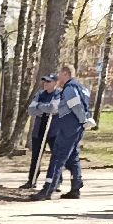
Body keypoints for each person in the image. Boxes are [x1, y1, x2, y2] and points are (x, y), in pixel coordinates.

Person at [31, 64, 91, 201]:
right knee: (73, 156)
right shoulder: (82, 88)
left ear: (65, 74)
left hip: (69, 126)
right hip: (76, 128)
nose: (58, 77)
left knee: (57, 157)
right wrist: (86, 120)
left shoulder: (70, 88)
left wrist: (82, 120)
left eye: (60, 74)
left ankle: (48, 189)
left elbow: (76, 105)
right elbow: (85, 105)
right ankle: (76, 187)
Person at [19, 74, 57, 190]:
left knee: (56, 156)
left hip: (53, 129)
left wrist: (40, 107)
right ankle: (32, 180)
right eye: (44, 81)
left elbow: (53, 109)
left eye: (48, 82)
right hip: (39, 129)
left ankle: (55, 182)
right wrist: (44, 109)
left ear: (55, 83)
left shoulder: (58, 94)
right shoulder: (40, 94)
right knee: (36, 156)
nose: (45, 83)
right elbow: (31, 110)